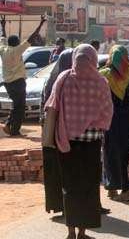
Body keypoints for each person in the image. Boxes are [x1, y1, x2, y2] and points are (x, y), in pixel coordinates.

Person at [44, 44, 113, 239]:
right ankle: (83, 232)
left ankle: (71, 232)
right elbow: (107, 112)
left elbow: (52, 104)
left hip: (66, 141)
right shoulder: (100, 82)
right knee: (89, 186)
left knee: (70, 185)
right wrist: (94, 123)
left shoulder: (64, 78)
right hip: (92, 144)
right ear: (93, 58)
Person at [101, 46, 129, 202]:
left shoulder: (104, 74)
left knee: (109, 150)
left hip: (110, 115)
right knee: (124, 152)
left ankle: (113, 187)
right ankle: (124, 189)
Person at [1, 14, 47, 136]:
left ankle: (10, 126)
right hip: (18, 82)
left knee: (16, 105)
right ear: (16, 43)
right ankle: (13, 129)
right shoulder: (17, 50)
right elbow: (32, 37)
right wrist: (41, 23)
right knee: (20, 107)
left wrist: (3, 26)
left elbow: (3, 38)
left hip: (7, 83)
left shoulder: (3, 50)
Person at [41, 48, 73, 215]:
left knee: (58, 169)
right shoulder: (62, 81)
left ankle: (61, 206)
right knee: (60, 169)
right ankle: (63, 206)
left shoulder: (53, 80)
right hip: (58, 132)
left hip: (53, 132)